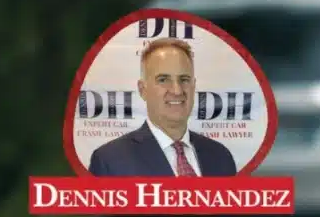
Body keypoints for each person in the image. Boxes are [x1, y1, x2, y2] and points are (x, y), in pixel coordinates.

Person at [87, 37, 237, 176]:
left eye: (184, 79)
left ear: (194, 85)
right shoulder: (109, 161)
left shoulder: (221, 157)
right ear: (142, 89)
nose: (177, 90)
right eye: (163, 79)